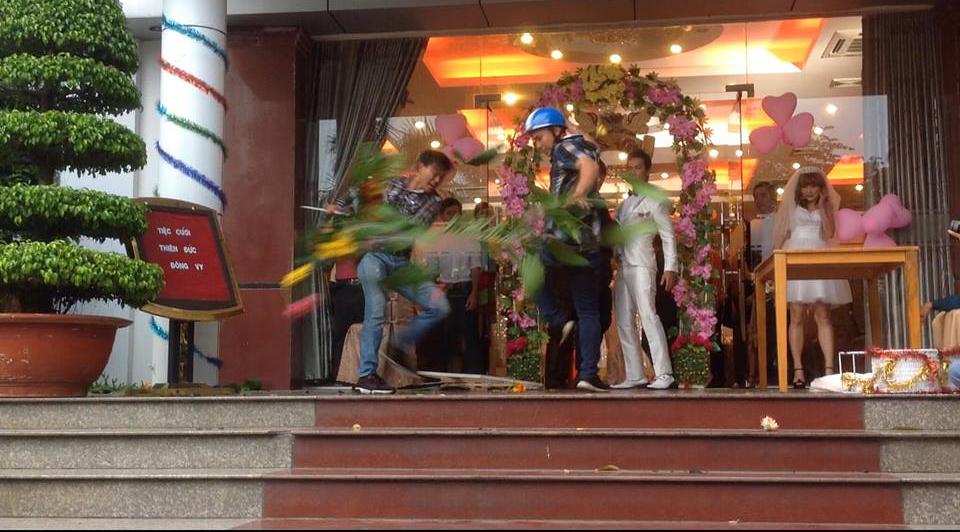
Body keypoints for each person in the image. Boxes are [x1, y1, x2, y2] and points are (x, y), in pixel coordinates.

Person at [355, 150, 455, 394]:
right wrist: (342, 208)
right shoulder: (393, 183)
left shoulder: (433, 203)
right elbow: (362, 198)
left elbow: (408, 229)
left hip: (401, 262)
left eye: (441, 177)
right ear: (420, 166)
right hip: (374, 258)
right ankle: (366, 375)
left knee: (440, 306)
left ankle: (401, 344)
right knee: (375, 312)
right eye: (434, 173)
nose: (436, 181)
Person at [524, 106, 609, 392]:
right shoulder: (580, 143)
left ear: (555, 131)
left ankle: (558, 319)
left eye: (539, 138)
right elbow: (592, 149)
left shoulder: (564, 148)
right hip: (588, 244)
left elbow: (589, 167)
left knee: (529, 266)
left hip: (564, 238)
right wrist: (570, 124)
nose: (537, 144)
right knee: (588, 311)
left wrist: (578, 192)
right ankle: (588, 374)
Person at [774, 166, 852, 388]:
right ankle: (798, 369)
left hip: (819, 254)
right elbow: (781, 235)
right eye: (805, 186)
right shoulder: (792, 207)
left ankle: (829, 369)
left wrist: (823, 205)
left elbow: (829, 233)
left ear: (820, 188)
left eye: (813, 186)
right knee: (796, 315)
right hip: (794, 254)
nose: (808, 191)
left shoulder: (826, 207)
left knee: (823, 314)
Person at [612, 149, 678, 390]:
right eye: (629, 168)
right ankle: (635, 374)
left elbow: (668, 235)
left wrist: (670, 267)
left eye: (637, 167)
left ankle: (664, 373)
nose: (633, 172)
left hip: (642, 264)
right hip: (623, 266)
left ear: (647, 171)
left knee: (648, 315)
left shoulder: (654, 200)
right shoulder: (623, 205)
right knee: (623, 319)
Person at [414, 198, 485, 373]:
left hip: (465, 289)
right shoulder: (437, 239)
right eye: (449, 213)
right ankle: (445, 375)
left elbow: (475, 266)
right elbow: (432, 269)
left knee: (470, 335)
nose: (453, 216)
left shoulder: (470, 236)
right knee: (446, 335)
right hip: (444, 290)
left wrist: (474, 293)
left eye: (456, 213)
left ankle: (473, 376)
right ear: (442, 216)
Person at [744, 181, 778, 387]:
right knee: (757, 331)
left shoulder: (780, 220)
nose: (759, 200)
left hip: (780, 280)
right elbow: (753, 257)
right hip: (761, 283)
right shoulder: (755, 225)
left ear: (772, 197)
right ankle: (758, 375)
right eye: (756, 197)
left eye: (763, 195)